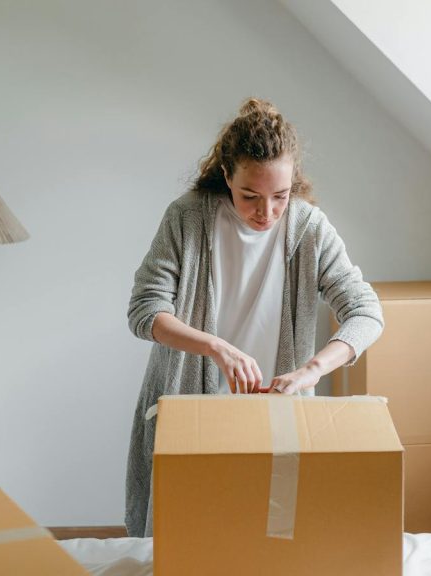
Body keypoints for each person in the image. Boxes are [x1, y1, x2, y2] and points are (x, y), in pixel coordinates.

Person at [124, 98, 384, 537]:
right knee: (186, 536)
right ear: (227, 176)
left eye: (280, 197)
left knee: (271, 537)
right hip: (193, 412)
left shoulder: (309, 228)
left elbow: (366, 312)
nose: (267, 212)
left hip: (275, 414)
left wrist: (311, 371)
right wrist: (217, 347)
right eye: (250, 196)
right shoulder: (187, 219)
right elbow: (145, 311)